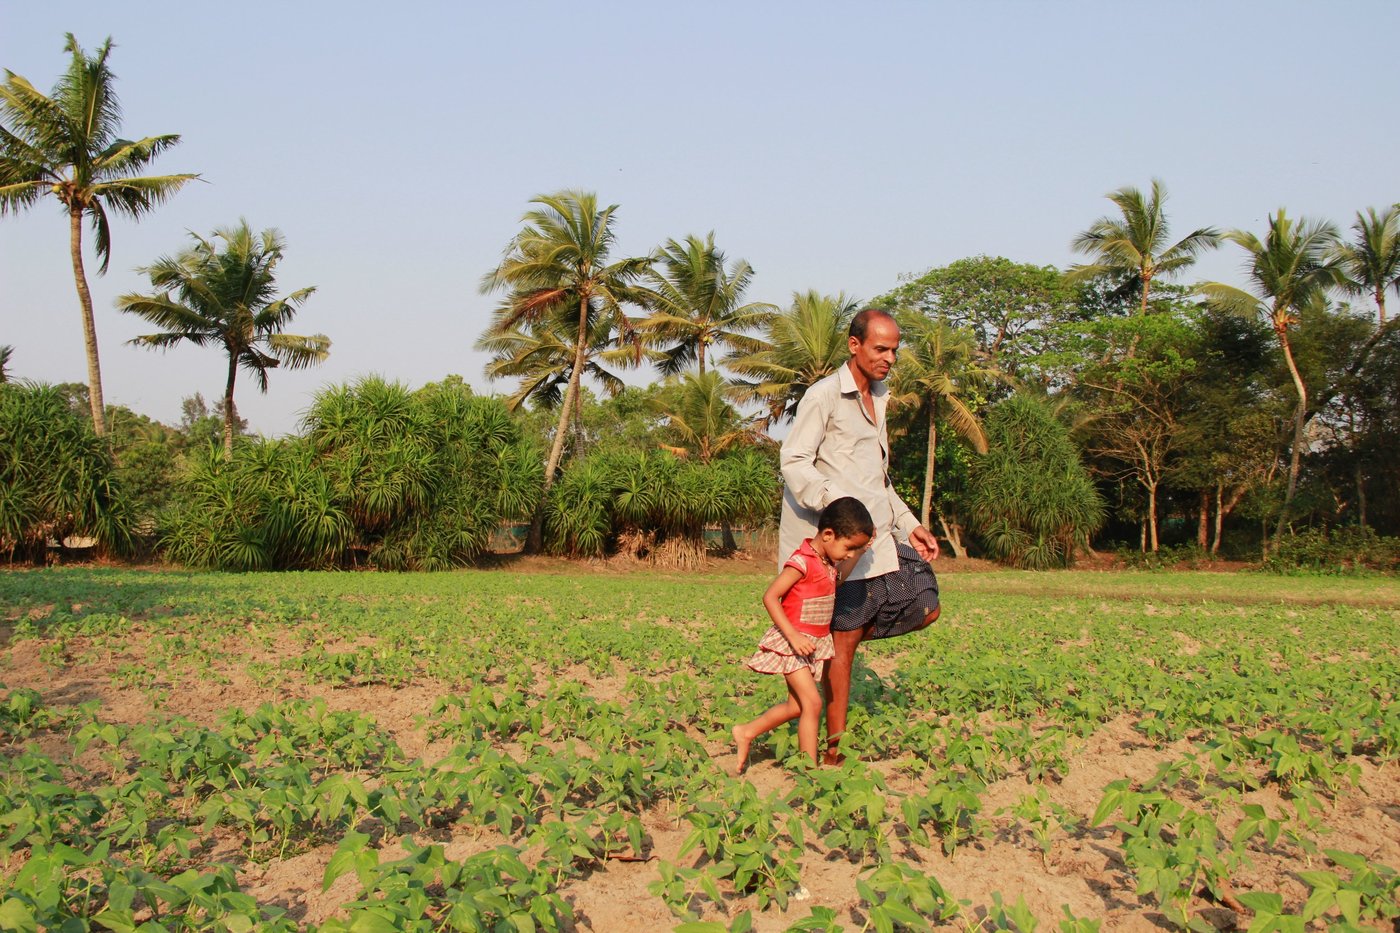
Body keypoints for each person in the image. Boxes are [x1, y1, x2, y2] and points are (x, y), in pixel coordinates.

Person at [779, 308, 942, 766]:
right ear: (854, 345)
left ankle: (829, 645)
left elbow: (879, 479)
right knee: (844, 647)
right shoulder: (825, 396)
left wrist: (911, 524)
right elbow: (794, 461)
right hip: (839, 546)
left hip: (878, 539)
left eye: (894, 349)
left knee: (924, 603)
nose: (890, 358)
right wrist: (839, 510)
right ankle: (834, 752)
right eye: (880, 348)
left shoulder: (880, 397)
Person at [732, 497, 874, 774]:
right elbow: (771, 597)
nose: (848, 554)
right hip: (791, 644)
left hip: (811, 645)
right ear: (828, 534)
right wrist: (793, 637)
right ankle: (809, 770)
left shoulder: (827, 562)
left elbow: (838, 579)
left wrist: (859, 552)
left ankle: (746, 731)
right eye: (849, 548)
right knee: (813, 702)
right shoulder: (802, 561)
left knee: (796, 706)